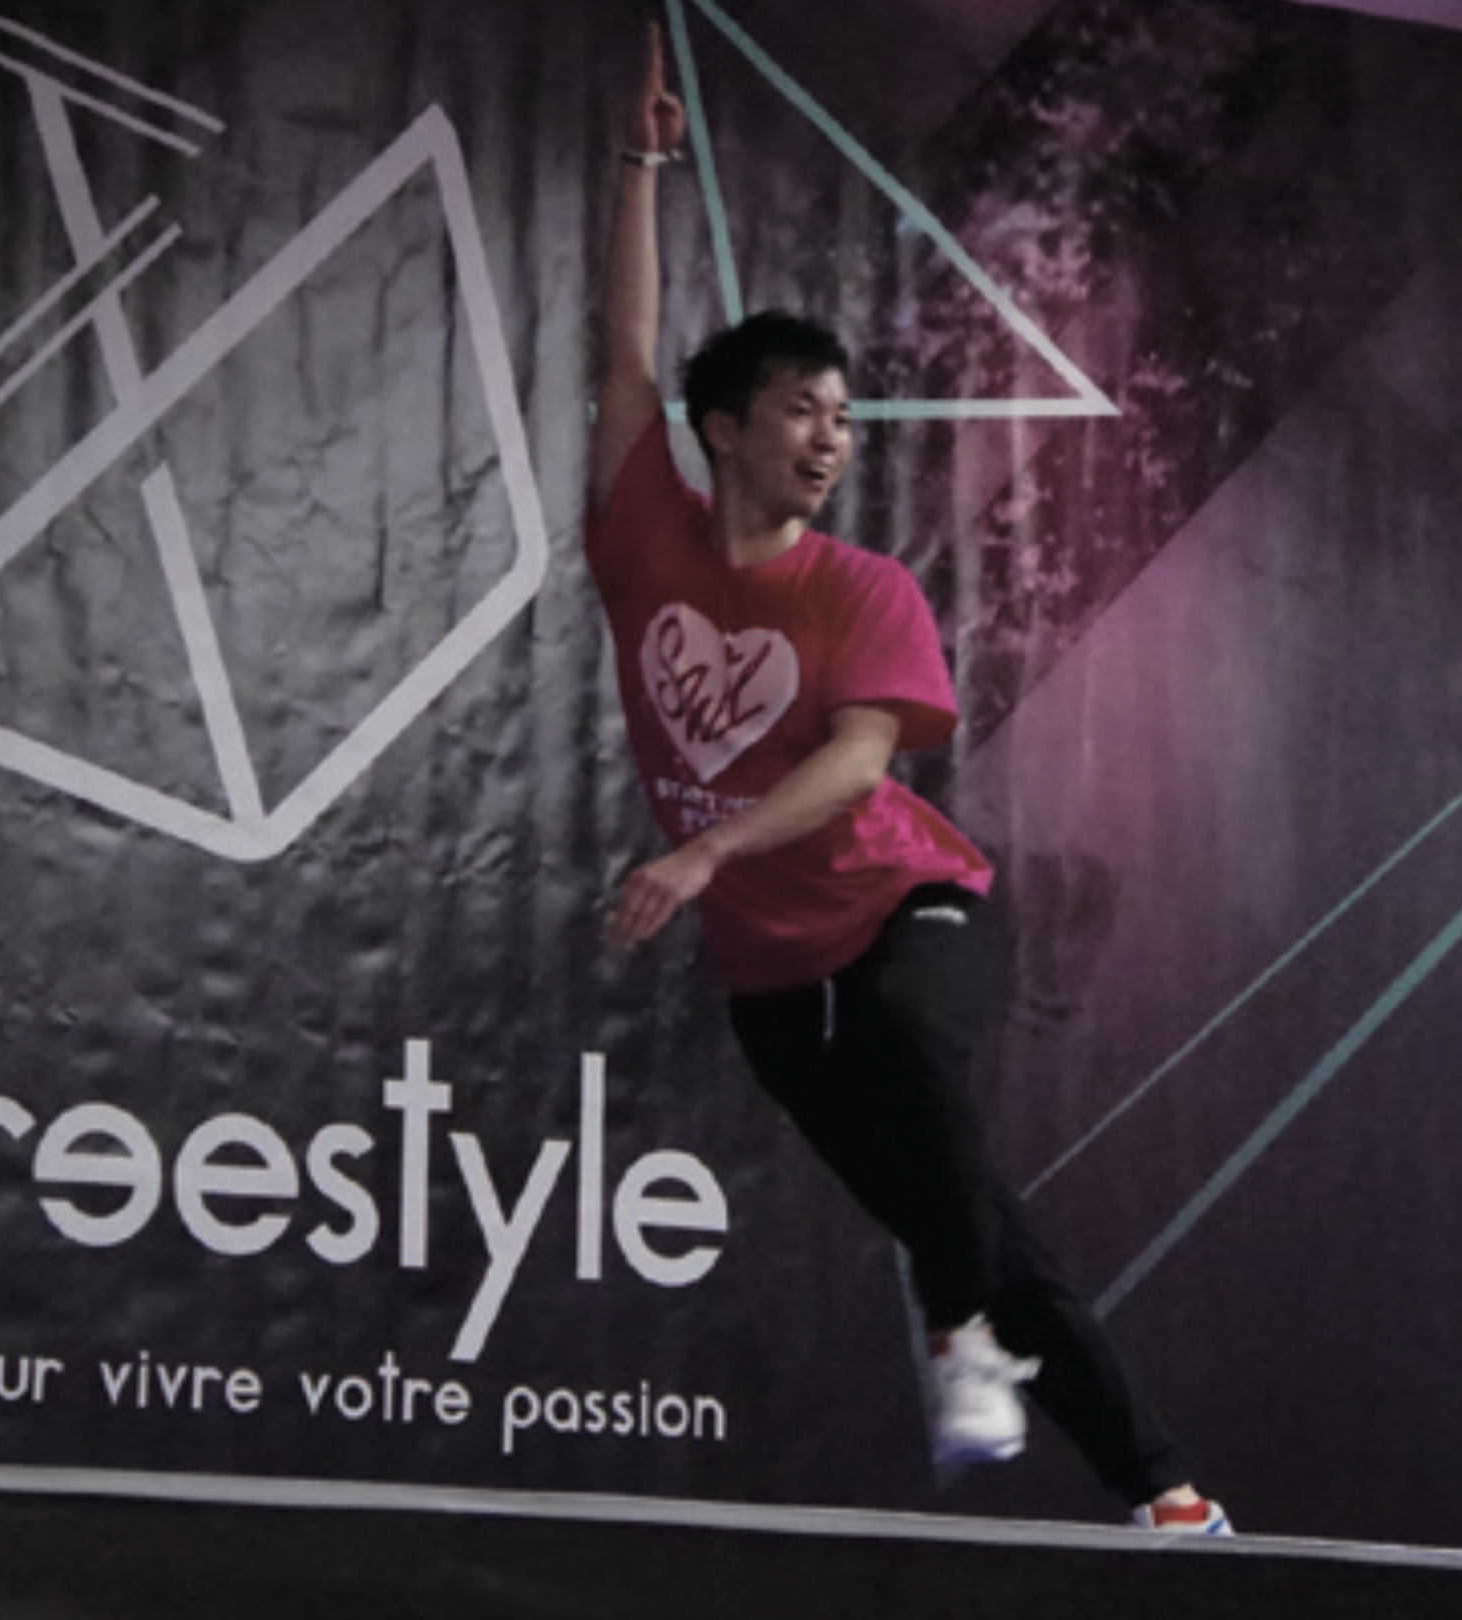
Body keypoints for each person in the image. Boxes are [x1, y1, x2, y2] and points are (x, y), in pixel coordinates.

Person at [584, 23, 1229, 1535]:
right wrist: (638, 167)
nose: (830, 438)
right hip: (773, 986)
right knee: (972, 1221)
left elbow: (862, 759)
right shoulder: (642, 530)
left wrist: (703, 852)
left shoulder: (862, 588)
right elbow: (622, 356)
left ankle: (954, 1339)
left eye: (843, 417)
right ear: (725, 429)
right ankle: (1168, 1491)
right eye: (801, 411)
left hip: (910, 907)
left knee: (915, 1074)